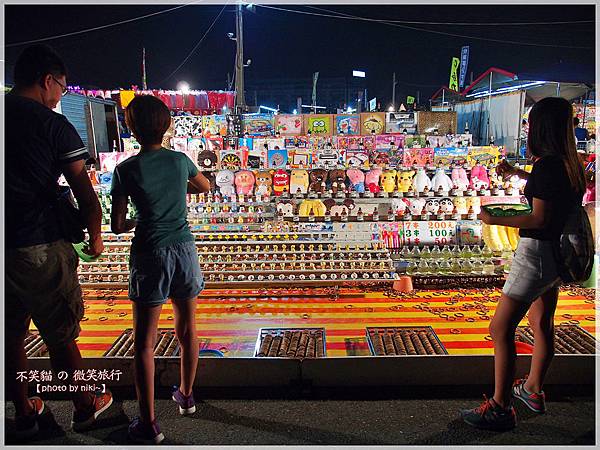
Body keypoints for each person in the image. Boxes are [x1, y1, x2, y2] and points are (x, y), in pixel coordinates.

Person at [5, 44, 112, 439]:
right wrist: (97, 237)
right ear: (47, 80)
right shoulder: (52, 125)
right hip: (39, 244)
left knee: (10, 333)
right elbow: (84, 192)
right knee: (60, 333)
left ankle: (25, 409)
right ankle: (85, 406)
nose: (60, 96)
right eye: (62, 88)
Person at [461, 97, 586, 431]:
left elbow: (539, 217)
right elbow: (553, 194)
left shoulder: (547, 165)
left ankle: (500, 407)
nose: (527, 128)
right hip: (558, 257)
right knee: (542, 321)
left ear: (540, 128)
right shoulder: (571, 162)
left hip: (536, 256)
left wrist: (493, 217)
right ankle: (533, 389)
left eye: (530, 123)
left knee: (500, 328)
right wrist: (520, 173)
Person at [110, 95, 210, 444]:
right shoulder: (180, 160)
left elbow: (118, 223)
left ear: (131, 127)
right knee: (188, 329)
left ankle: (149, 423)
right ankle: (186, 396)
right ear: (167, 125)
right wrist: (174, 193)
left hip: (150, 252)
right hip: (184, 249)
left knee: (144, 342)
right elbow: (205, 186)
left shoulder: (125, 170)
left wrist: (141, 215)